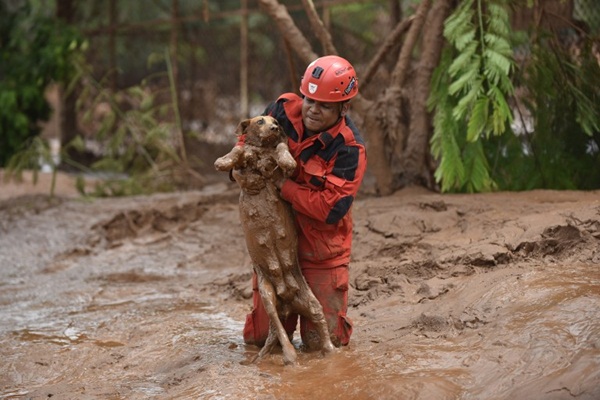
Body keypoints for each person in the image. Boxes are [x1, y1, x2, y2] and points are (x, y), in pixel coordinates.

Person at [239, 55, 367, 349]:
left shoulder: (349, 148)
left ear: (343, 108)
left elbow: (330, 209)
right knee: (260, 341)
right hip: (274, 244)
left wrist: (284, 186)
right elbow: (249, 140)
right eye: (310, 100)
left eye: (324, 105)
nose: (313, 110)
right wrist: (238, 165)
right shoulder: (281, 110)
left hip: (321, 251)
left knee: (323, 343)